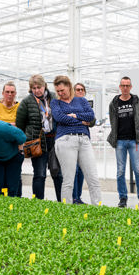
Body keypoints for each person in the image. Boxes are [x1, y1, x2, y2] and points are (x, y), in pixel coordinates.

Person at [51, 75, 102, 205]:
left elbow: (91, 116)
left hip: (84, 140)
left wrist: (74, 115)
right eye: (58, 91)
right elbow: (59, 117)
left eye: (62, 90)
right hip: (65, 140)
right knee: (68, 180)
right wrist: (80, 120)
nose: (60, 93)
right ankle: (66, 210)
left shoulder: (82, 101)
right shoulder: (55, 102)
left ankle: (99, 209)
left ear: (69, 86)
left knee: (93, 178)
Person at [16, 75, 63, 201]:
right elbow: (20, 124)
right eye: (34, 88)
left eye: (39, 87)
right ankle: (38, 203)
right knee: (39, 174)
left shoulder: (54, 97)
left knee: (58, 174)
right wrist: (25, 139)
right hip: (37, 142)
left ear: (44, 86)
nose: (37, 90)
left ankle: (63, 202)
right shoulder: (26, 102)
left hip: (54, 141)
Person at [107, 77, 139, 209]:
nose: (125, 88)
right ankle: (123, 197)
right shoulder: (114, 103)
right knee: (120, 171)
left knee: (138, 170)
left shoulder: (136, 101)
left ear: (131, 87)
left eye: (127, 85)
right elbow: (112, 120)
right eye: (123, 85)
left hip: (133, 141)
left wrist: (137, 133)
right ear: (120, 87)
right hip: (119, 141)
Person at [71, 82, 96, 204]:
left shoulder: (85, 103)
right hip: (72, 141)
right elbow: (70, 118)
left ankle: (78, 197)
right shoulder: (70, 103)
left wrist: (79, 118)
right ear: (73, 91)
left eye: (82, 90)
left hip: (84, 140)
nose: (80, 91)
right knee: (74, 170)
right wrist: (82, 120)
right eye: (77, 89)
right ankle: (74, 197)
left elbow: (92, 119)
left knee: (81, 170)